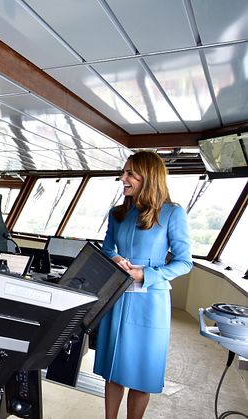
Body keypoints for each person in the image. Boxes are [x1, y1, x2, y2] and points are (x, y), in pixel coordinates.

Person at [93, 151, 192, 419]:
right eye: (123, 172)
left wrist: (144, 274)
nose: (122, 178)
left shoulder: (172, 213)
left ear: (148, 177)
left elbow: (184, 263)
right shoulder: (118, 213)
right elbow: (106, 247)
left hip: (151, 302)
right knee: (113, 369)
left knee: (141, 373)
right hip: (118, 296)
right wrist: (115, 258)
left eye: (129, 174)